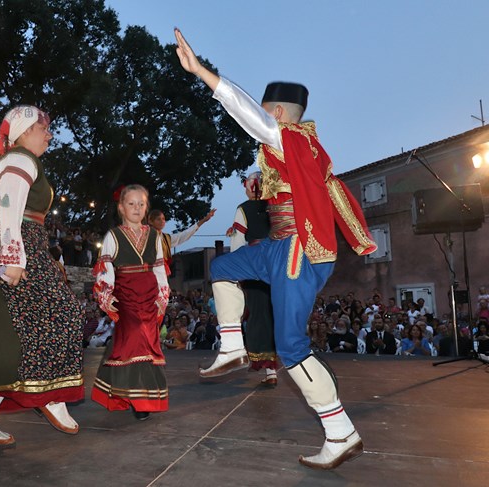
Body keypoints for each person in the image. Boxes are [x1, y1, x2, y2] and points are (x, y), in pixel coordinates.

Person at [175, 28, 377, 470]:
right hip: (278, 244)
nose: (260, 124)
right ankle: (232, 344)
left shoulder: (289, 137)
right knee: (224, 266)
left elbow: (247, 114)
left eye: (266, 114)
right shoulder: (300, 149)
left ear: (279, 112)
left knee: (290, 347)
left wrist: (202, 73)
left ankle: (340, 431)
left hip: (296, 252)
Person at [0, 105, 84, 445]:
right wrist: (11, 256)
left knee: (12, 331)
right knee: (63, 313)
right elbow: (6, 207)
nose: (49, 135)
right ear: (24, 132)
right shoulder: (20, 160)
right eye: (44, 129)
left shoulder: (19, 160)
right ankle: (50, 395)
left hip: (21, 240)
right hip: (15, 240)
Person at [92, 184, 170, 421]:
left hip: (149, 294)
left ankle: (138, 395)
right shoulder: (113, 236)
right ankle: (138, 398)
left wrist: (163, 295)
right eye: (131, 203)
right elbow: (105, 267)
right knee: (134, 337)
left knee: (147, 341)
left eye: (141, 204)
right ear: (121, 208)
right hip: (125, 294)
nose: (136, 208)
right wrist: (106, 295)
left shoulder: (155, 236)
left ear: (146, 208)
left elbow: (159, 268)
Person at [228, 172, 278, 388]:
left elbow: (238, 242)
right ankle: (272, 368)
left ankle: (269, 369)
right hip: (277, 266)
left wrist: (236, 271)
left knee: (259, 316)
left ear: (249, 187)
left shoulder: (244, 209)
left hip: (255, 266)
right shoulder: (274, 206)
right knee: (273, 315)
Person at [148, 208, 216, 269]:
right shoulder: (146, 236)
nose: (162, 221)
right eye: (158, 219)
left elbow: (184, 235)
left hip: (162, 272)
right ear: (150, 221)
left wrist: (203, 220)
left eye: (163, 219)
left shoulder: (166, 238)